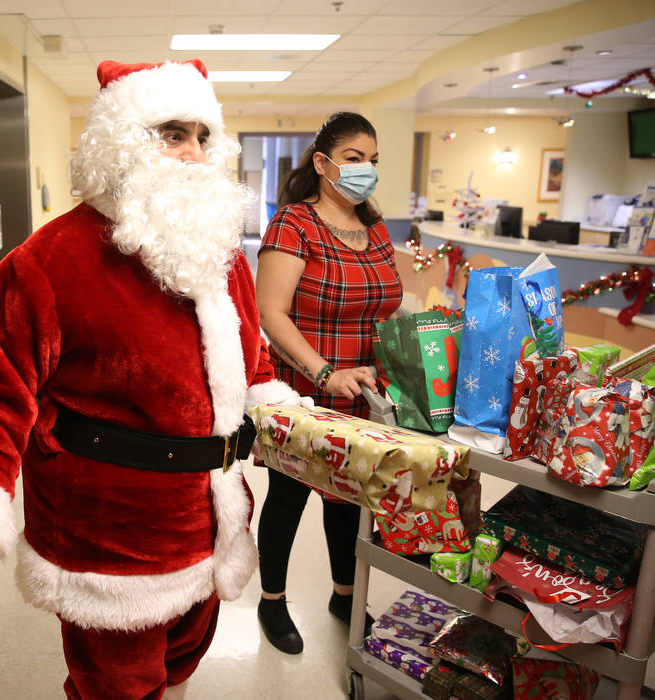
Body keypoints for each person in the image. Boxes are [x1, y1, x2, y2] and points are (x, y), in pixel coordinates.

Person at [0, 59, 301, 699]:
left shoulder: (221, 257)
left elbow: (247, 355)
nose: (194, 153)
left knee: (179, 666)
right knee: (117, 688)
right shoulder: (49, 263)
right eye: (173, 133)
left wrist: (279, 405)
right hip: (107, 541)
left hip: (211, 521)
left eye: (204, 136)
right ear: (125, 140)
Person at [253, 112, 403, 655]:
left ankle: (345, 595)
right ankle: (272, 601)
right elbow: (269, 312)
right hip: (304, 388)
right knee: (289, 496)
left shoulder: (376, 228)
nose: (367, 170)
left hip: (364, 392)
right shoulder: (294, 224)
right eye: (355, 158)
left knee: (349, 499)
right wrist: (324, 372)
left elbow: (386, 305)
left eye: (374, 160)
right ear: (322, 163)